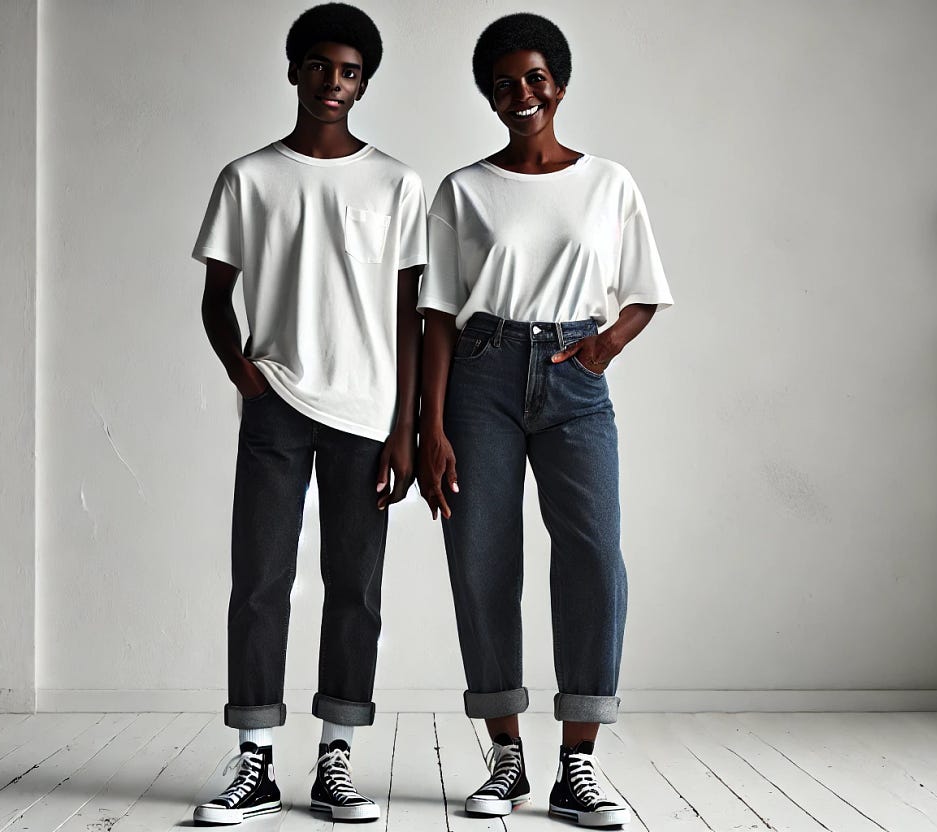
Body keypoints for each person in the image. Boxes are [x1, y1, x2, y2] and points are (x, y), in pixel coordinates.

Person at [416, 12, 673, 828]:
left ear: (559, 83)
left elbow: (644, 291)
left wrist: (602, 349)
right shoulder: (464, 189)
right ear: (488, 96)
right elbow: (438, 316)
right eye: (502, 83)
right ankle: (506, 758)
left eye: (534, 78)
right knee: (483, 554)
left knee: (594, 555)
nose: (520, 93)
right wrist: (431, 427)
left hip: (572, 378)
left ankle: (578, 764)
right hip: (480, 375)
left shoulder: (610, 182)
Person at [191, 3, 425, 824]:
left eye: (350, 71)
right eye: (320, 65)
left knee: (354, 588)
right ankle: (254, 760)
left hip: (367, 411)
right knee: (259, 581)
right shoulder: (248, 177)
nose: (333, 82)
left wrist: (407, 426)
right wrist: (241, 370)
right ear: (293, 70)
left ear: (365, 83)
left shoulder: (398, 183)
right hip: (277, 405)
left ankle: (337, 758)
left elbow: (409, 312)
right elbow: (216, 295)